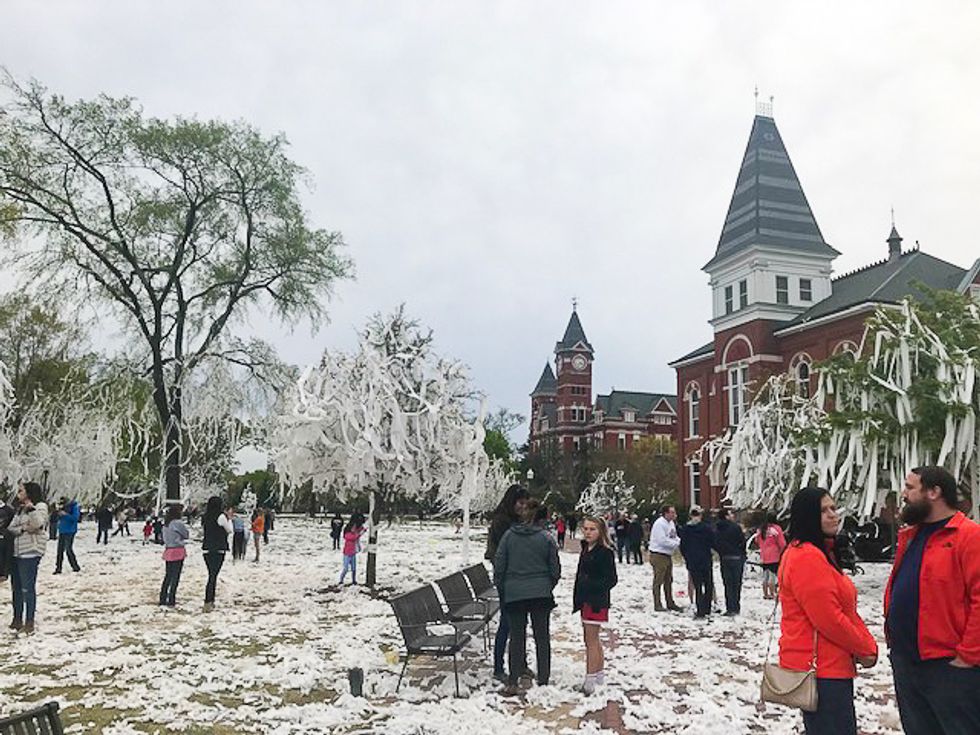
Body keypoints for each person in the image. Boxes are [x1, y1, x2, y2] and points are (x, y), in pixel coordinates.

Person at [884, 466, 980, 735]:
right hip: (907, 662)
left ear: (934, 492)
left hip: (948, 666)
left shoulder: (969, 536)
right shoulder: (912, 535)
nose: (903, 494)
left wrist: (968, 657)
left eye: (910, 487)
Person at [778, 487, 877, 735]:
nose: (833, 515)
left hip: (827, 665)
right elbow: (828, 619)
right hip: (822, 669)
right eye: (824, 510)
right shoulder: (807, 557)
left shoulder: (818, 553)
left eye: (834, 508)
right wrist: (865, 649)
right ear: (807, 516)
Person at [494, 498, 561, 696]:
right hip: (540, 593)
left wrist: (504, 588)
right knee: (542, 636)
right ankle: (544, 677)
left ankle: (513, 680)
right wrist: (547, 585)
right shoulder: (546, 538)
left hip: (514, 593)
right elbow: (555, 568)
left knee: (516, 637)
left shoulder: (508, 537)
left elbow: (500, 565)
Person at [485, 484, 530, 682]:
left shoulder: (517, 521)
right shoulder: (502, 522)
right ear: (512, 502)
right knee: (507, 622)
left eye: (526, 504)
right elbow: (504, 551)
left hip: (519, 578)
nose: (523, 507)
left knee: (520, 622)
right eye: (520, 503)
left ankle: (521, 663)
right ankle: (498, 667)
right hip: (507, 579)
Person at [573, 515, 617, 694]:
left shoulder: (604, 552)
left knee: (590, 641)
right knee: (593, 639)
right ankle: (598, 675)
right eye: (586, 529)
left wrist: (590, 584)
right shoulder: (586, 549)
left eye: (592, 529)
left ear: (601, 532)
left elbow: (611, 579)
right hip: (585, 600)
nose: (588, 532)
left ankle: (590, 680)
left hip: (595, 601)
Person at [7, 482, 48, 633]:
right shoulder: (19, 509)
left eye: (21, 491)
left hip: (31, 551)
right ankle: (17, 618)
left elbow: (38, 524)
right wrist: (24, 528)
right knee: (16, 587)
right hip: (17, 552)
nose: (18, 493)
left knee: (27, 588)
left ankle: (29, 621)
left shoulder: (40, 506)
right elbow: (12, 528)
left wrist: (31, 510)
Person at [679, 506, 715, 619]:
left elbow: (682, 546)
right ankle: (707, 607)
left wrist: (687, 558)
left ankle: (700, 610)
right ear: (700, 515)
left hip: (693, 561)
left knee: (697, 585)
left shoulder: (685, 529)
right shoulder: (707, 528)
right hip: (705, 559)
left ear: (690, 515)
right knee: (708, 584)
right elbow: (712, 541)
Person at [648, 505, 682, 611]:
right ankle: (657, 604)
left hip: (667, 554)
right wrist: (676, 544)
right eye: (672, 512)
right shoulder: (659, 524)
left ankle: (670, 602)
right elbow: (662, 540)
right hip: (658, 554)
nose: (674, 514)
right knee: (658, 580)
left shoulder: (671, 524)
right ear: (666, 513)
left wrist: (679, 541)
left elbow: (674, 536)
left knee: (669, 579)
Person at [201, 496, 232, 611]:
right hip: (219, 548)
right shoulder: (221, 517)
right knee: (213, 576)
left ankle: (209, 600)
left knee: (211, 575)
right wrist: (229, 519)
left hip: (207, 548)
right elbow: (229, 530)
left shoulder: (205, 516)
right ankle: (209, 600)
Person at [714, 507, 746, 615]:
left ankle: (729, 607)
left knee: (728, 584)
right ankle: (736, 607)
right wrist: (741, 553)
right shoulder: (736, 528)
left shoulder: (717, 528)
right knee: (736, 583)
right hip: (737, 557)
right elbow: (742, 541)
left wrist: (721, 552)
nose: (732, 516)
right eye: (730, 514)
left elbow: (716, 543)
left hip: (725, 557)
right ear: (726, 516)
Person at [159, 504, 190, 607]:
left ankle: (162, 597)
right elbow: (186, 534)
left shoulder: (166, 524)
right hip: (178, 550)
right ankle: (171, 598)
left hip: (168, 550)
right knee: (175, 576)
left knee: (168, 575)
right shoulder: (178, 523)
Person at [755, 513, 786, 600]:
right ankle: (772, 593)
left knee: (765, 575)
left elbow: (757, 540)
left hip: (764, 555)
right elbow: (782, 543)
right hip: (774, 555)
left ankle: (765, 593)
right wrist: (781, 551)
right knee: (772, 575)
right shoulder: (776, 529)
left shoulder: (761, 529)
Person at [54, 496, 81, 574]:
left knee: (68, 549)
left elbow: (75, 518)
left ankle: (75, 566)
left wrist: (65, 514)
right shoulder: (61, 508)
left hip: (70, 530)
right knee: (60, 550)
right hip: (62, 530)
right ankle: (58, 568)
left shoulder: (74, 507)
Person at [339, 516, 365, 585]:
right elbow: (354, 537)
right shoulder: (347, 535)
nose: (354, 528)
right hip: (347, 554)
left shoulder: (354, 533)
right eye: (353, 527)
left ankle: (354, 580)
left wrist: (363, 528)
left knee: (354, 569)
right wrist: (360, 533)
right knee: (346, 568)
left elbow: (359, 531)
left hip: (353, 554)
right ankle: (341, 579)